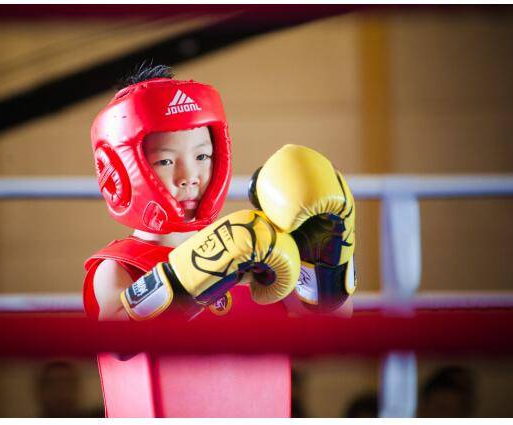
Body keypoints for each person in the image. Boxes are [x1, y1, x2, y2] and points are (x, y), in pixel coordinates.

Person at [83, 63, 356, 417]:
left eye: (201, 156)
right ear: (122, 170)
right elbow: (119, 343)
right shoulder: (118, 267)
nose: (189, 176)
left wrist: (322, 254)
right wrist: (199, 272)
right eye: (165, 161)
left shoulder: (257, 244)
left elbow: (333, 324)